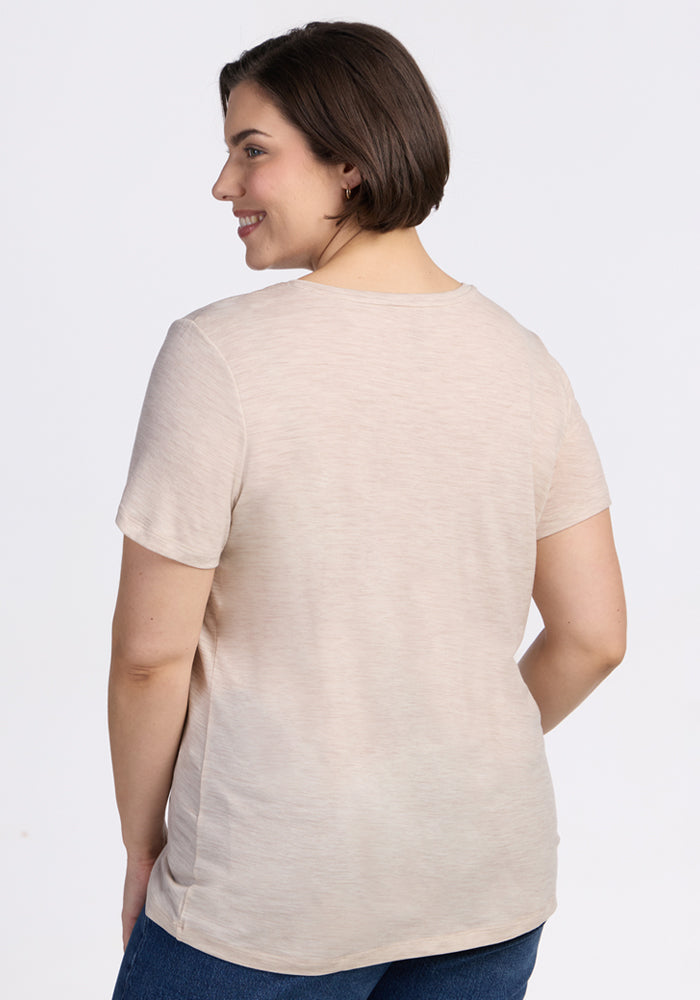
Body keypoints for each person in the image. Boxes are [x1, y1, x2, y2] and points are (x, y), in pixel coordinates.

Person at [108, 20, 626, 1000]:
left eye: (251, 150)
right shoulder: (522, 362)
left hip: (266, 893)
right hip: (485, 878)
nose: (225, 186)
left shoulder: (220, 357)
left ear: (348, 161)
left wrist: (146, 847)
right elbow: (593, 636)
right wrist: (455, 756)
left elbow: (148, 657)